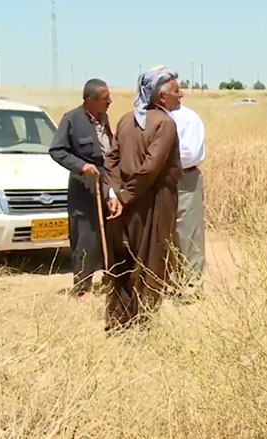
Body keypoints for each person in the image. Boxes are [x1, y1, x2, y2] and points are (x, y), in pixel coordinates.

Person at [103, 68, 183, 330]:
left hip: (126, 201)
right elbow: (151, 167)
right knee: (152, 260)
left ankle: (120, 321)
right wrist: (123, 195)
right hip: (154, 201)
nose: (181, 94)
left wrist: (115, 193)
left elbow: (111, 161)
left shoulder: (126, 119)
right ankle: (143, 324)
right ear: (161, 97)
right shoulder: (165, 123)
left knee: (126, 257)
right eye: (175, 90)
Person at [49, 78, 116, 299]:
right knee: (85, 235)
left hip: (106, 180)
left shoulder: (103, 118)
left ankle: (110, 277)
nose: (110, 102)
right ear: (89, 100)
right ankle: (82, 286)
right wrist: (82, 166)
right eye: (105, 99)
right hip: (84, 184)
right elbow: (57, 150)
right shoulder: (72, 119)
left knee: (109, 231)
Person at [170, 102, 206, 287]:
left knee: (189, 232)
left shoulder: (188, 118)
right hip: (157, 179)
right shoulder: (149, 117)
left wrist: (159, 158)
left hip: (185, 178)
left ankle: (192, 284)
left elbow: (189, 153)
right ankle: (172, 282)